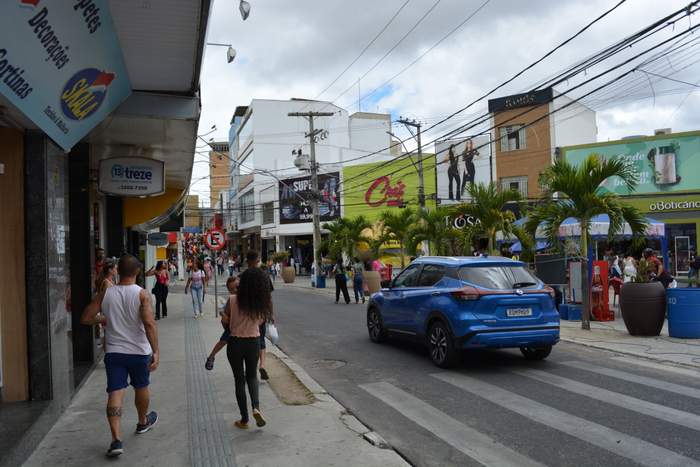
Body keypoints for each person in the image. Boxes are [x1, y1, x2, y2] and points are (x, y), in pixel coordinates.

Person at [80, 254, 159, 458]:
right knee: (141, 386)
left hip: (114, 352)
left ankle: (116, 440)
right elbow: (149, 324)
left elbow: (86, 318)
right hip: (139, 352)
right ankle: (143, 422)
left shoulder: (106, 294)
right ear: (137, 272)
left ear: (119, 271)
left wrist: (105, 318)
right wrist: (156, 350)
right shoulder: (142, 294)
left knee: (115, 393)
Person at [226, 267, 273, 429]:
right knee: (252, 376)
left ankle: (244, 419)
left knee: (239, 380)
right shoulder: (258, 303)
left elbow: (225, 321)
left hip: (235, 343)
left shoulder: (232, 299)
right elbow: (260, 322)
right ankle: (256, 408)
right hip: (253, 342)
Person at [246, 250, 272, 380]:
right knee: (261, 340)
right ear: (257, 261)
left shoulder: (243, 276)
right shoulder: (264, 276)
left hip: (246, 313)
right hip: (261, 313)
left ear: (247, 261)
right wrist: (270, 313)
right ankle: (262, 365)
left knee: (249, 340)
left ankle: (250, 368)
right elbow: (269, 297)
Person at [205, 275, 239, 370]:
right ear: (229, 291)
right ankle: (212, 356)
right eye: (232, 289)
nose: (235, 290)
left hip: (245, 330)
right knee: (223, 341)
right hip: (232, 327)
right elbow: (224, 316)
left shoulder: (247, 297)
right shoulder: (231, 300)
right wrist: (225, 319)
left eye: (237, 287)